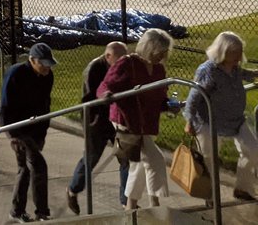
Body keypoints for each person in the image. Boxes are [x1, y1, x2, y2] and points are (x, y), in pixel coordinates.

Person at [98, 28, 173, 210]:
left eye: (164, 53)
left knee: (139, 164)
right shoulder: (127, 63)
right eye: (159, 52)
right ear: (148, 48)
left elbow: (161, 95)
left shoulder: (158, 69)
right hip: (127, 120)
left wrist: (169, 104)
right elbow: (105, 85)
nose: (162, 56)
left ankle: (133, 204)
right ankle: (152, 202)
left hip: (146, 121)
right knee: (154, 159)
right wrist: (106, 94)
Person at [184, 31, 258, 202]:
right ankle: (210, 198)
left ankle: (242, 188)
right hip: (210, 122)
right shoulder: (208, 70)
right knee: (210, 162)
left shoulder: (234, 68)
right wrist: (189, 120)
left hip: (236, 121)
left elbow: (245, 74)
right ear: (224, 51)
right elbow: (194, 96)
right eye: (236, 52)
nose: (240, 56)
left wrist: (255, 73)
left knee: (253, 150)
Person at [67, 41, 130, 214]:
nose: (121, 63)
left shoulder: (124, 66)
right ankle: (73, 189)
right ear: (108, 56)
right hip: (96, 120)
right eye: (119, 60)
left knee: (126, 158)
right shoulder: (94, 68)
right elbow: (89, 99)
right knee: (91, 158)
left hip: (116, 119)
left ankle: (126, 200)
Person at [0, 42, 57, 222]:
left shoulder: (47, 76)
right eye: (44, 63)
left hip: (35, 128)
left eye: (49, 64)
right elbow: (5, 107)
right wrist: (12, 136)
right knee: (39, 166)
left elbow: (45, 106)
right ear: (32, 60)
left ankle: (16, 210)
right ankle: (42, 212)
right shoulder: (16, 74)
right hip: (16, 126)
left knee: (25, 168)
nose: (47, 68)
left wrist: (42, 135)